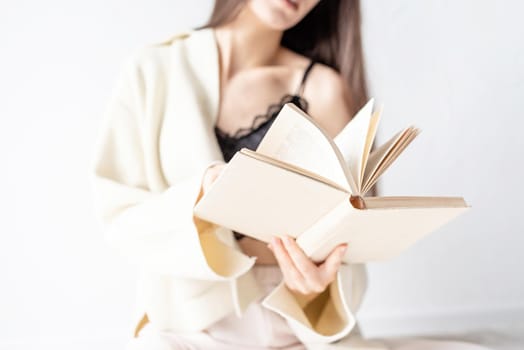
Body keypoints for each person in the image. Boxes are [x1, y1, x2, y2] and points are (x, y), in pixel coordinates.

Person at [90, 0, 491, 349]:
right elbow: (119, 215)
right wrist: (202, 192)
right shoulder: (152, 71)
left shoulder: (324, 89)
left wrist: (316, 290)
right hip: (189, 326)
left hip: (296, 330)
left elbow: (349, 246)